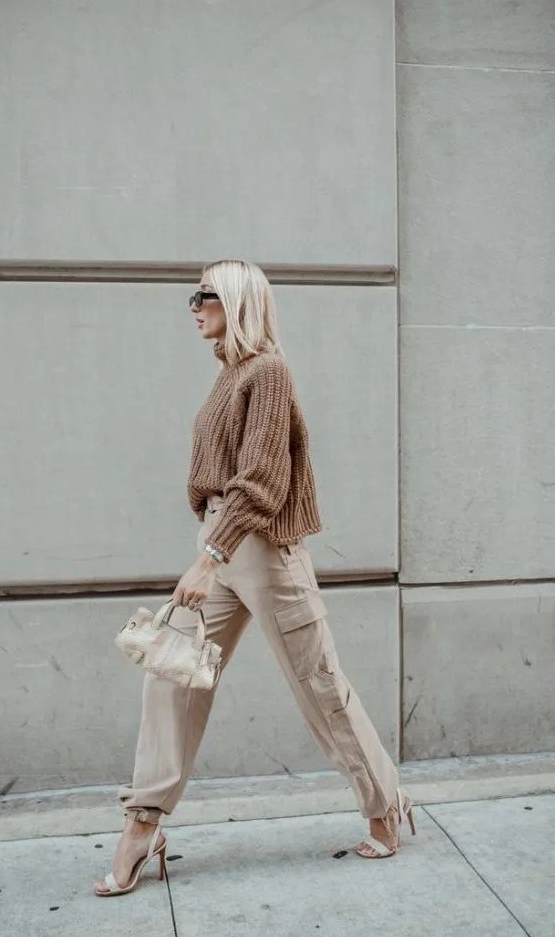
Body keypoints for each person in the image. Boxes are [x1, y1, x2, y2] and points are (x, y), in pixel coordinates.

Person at [94, 259, 415, 896]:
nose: (192, 305)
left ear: (236, 300)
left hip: (262, 551)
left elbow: (261, 481)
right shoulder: (229, 374)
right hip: (221, 543)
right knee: (170, 678)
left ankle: (384, 806)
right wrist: (210, 547)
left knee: (319, 685)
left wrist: (206, 559)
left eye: (204, 295)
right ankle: (142, 824)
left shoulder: (268, 372)